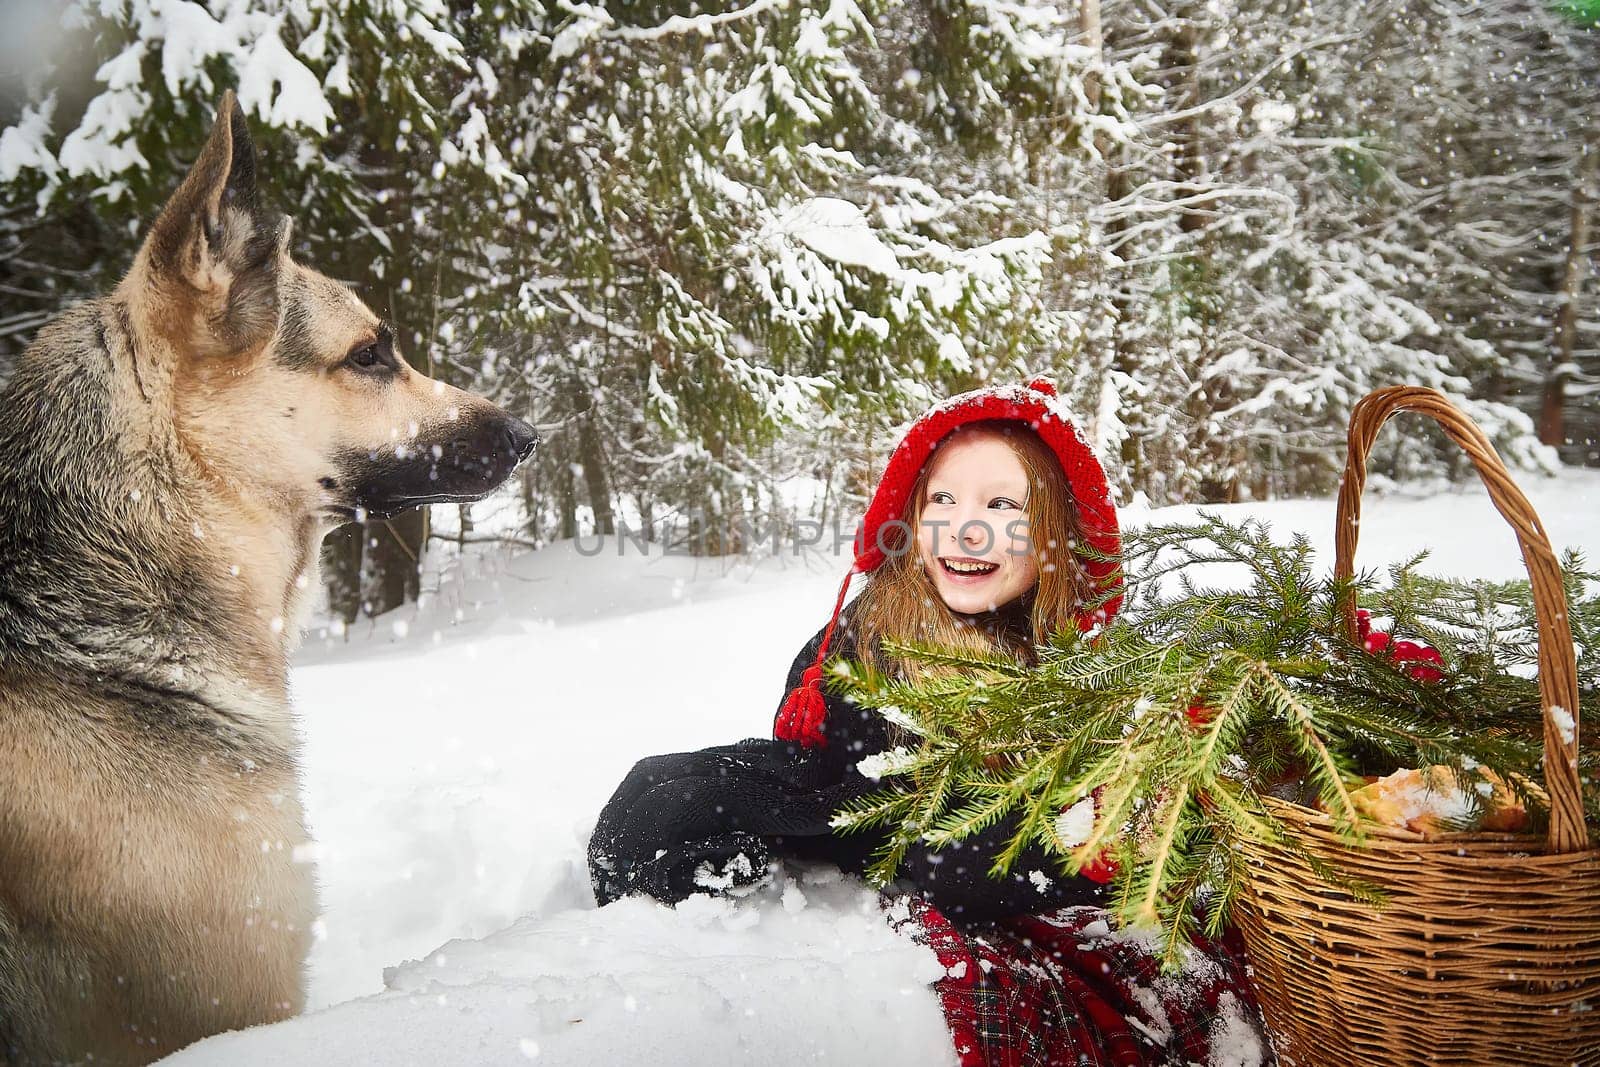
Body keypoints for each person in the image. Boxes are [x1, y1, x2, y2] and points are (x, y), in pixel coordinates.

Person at [589, 378, 1270, 1066]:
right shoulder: (871, 650)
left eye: (1002, 504)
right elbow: (931, 847)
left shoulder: (1074, 651)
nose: (965, 526)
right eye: (942, 498)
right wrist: (1090, 835)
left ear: (1058, 533)